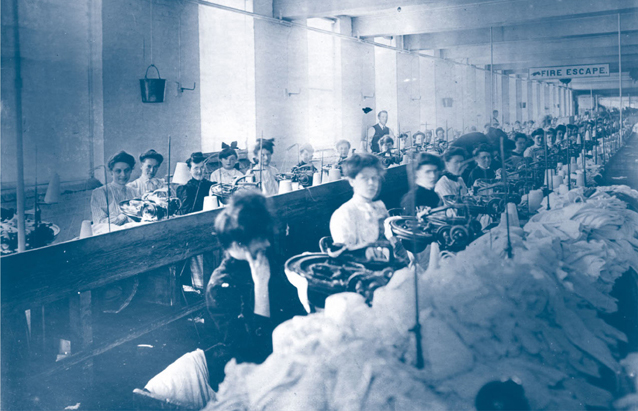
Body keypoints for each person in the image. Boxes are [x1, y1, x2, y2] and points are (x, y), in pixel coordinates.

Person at [205, 190, 305, 385]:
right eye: (260, 238)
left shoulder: (264, 259)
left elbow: (293, 310)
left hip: (287, 353)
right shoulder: (220, 286)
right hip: (252, 374)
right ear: (239, 243)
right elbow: (251, 354)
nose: (267, 243)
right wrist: (261, 287)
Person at [329, 154, 390, 249]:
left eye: (374, 178)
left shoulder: (379, 207)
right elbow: (347, 256)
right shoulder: (344, 214)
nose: (371, 183)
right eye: (364, 178)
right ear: (351, 181)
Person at [90, 151, 138, 234]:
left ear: (131, 171)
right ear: (111, 173)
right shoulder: (100, 193)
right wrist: (124, 216)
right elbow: (100, 224)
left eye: (127, 170)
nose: (123, 175)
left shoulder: (134, 192)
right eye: (118, 171)